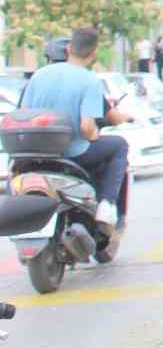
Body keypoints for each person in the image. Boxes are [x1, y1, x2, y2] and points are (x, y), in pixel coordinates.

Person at [18, 27, 130, 226]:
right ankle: (106, 204)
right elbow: (87, 128)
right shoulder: (89, 81)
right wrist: (94, 135)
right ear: (94, 53)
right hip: (72, 153)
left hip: (35, 153)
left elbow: (23, 113)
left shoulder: (39, 75)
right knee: (119, 145)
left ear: (69, 48)